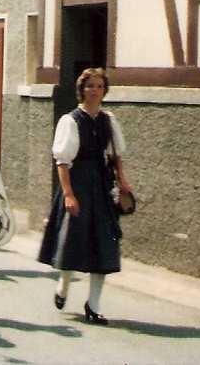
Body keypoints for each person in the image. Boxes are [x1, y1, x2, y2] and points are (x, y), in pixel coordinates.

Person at [37, 67, 132, 325]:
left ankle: (93, 305)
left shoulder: (109, 120)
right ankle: (64, 284)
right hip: (78, 183)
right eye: (90, 86)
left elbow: (115, 155)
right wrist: (68, 194)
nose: (94, 91)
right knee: (73, 241)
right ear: (82, 89)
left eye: (99, 86)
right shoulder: (70, 120)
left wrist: (122, 181)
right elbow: (62, 161)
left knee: (105, 244)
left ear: (104, 91)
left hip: (101, 185)